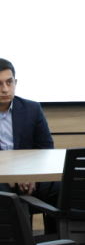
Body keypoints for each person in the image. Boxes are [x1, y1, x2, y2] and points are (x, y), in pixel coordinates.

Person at [0, 58, 60, 207]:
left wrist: (31, 175)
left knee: (60, 188)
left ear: (16, 82)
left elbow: (46, 151)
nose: (5, 89)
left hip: (30, 175)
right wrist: (7, 177)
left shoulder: (32, 109)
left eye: (9, 82)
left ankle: (57, 231)